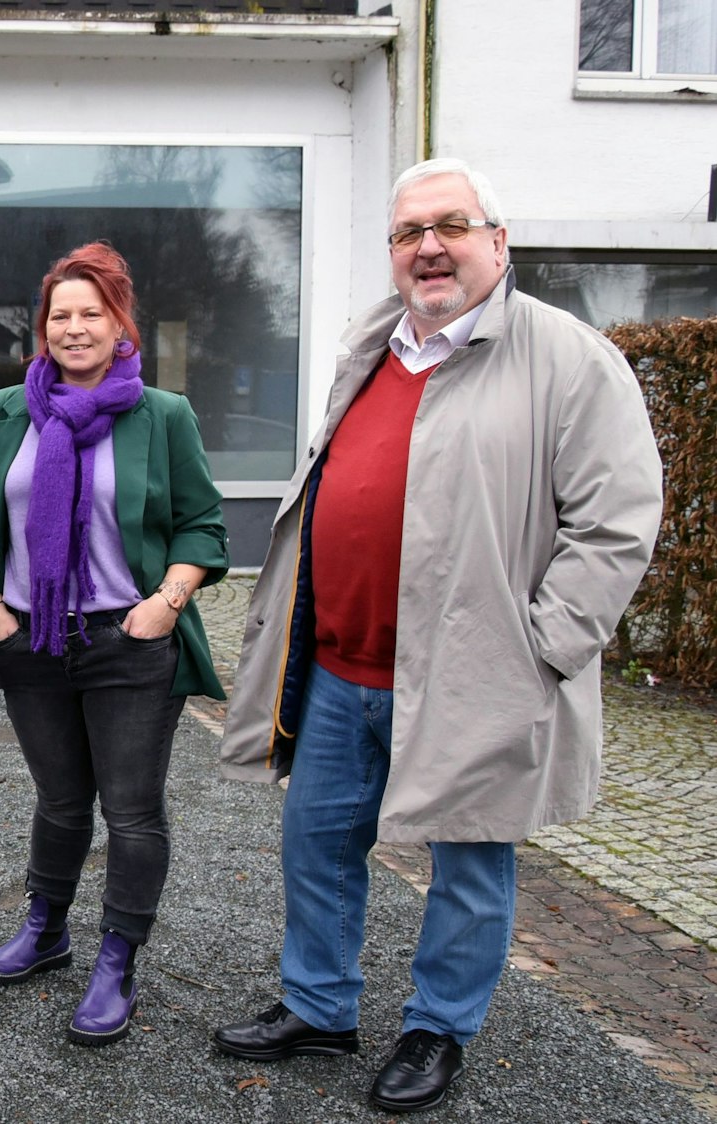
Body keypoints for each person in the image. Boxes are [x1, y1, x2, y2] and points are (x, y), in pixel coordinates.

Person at [211, 158, 663, 1113]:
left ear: (498, 242)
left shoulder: (571, 358)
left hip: (477, 671)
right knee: (318, 843)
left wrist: (542, 649)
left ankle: (436, 1029)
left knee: (469, 857)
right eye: (409, 232)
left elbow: (616, 524)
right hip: (341, 665)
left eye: (450, 225)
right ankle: (320, 1006)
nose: (428, 247)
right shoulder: (375, 348)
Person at [0, 241, 228, 1048]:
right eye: (59, 315)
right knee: (61, 800)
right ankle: (47, 930)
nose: (73, 329)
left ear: (118, 323)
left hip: (128, 641)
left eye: (90, 314)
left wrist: (165, 604)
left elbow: (203, 527)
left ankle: (117, 958)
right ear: (43, 327)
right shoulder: (2, 412)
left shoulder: (161, 414)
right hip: (30, 640)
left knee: (132, 811)